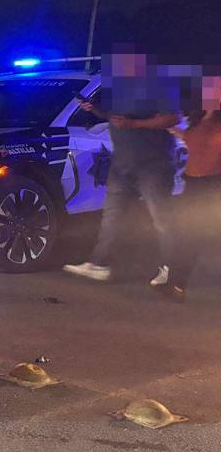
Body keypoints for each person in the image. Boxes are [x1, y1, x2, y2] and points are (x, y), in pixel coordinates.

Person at [63, 97, 180, 284]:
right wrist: (94, 109)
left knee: (161, 218)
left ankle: (172, 270)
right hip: (123, 165)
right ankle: (99, 264)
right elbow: (113, 118)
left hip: (152, 165)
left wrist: (134, 123)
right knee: (112, 216)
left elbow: (172, 119)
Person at [162, 110, 221, 300]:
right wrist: (170, 127)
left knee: (195, 235)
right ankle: (177, 284)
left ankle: (177, 283)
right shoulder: (201, 119)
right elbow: (190, 138)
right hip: (192, 185)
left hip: (210, 186)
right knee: (189, 236)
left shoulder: (215, 123)